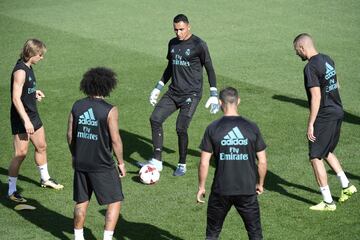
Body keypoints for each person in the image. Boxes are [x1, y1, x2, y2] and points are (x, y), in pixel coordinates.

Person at [139, 13, 220, 176]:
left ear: (188, 26)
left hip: (192, 94)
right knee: (155, 119)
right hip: (173, 91)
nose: (178, 33)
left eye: (181, 29)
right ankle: (157, 160)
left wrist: (213, 93)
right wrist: (158, 87)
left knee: (181, 128)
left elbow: (210, 69)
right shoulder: (173, 43)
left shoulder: (199, 44)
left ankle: (181, 163)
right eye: (176, 30)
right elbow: (170, 67)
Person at [293, 33, 357, 211]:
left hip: (325, 115)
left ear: (302, 48)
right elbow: (337, 84)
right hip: (337, 109)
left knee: (315, 156)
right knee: (327, 150)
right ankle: (347, 186)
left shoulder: (310, 68)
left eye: (296, 51)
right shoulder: (327, 59)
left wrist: (311, 123)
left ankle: (328, 202)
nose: (297, 54)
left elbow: (315, 96)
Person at [197, 87, 267, 240]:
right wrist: (260, 183)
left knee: (212, 234)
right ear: (238, 101)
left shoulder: (213, 128)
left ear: (221, 103)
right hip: (247, 190)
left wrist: (201, 187)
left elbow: (204, 162)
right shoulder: (252, 127)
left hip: (221, 190)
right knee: (255, 234)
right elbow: (262, 161)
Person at [67, 67, 126, 240]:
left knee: (82, 201)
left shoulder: (77, 106)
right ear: (108, 85)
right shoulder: (110, 110)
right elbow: (115, 140)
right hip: (102, 165)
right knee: (115, 200)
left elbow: (70, 135)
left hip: (81, 162)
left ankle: (78, 238)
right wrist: (121, 162)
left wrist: (75, 155)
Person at [8, 39, 64, 203]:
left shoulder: (29, 67)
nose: (42, 57)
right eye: (40, 55)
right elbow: (16, 99)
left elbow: (25, 90)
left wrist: (34, 93)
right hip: (22, 118)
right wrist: (26, 121)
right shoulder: (20, 71)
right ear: (32, 54)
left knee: (41, 146)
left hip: (32, 114)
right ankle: (11, 190)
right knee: (20, 154)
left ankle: (45, 179)